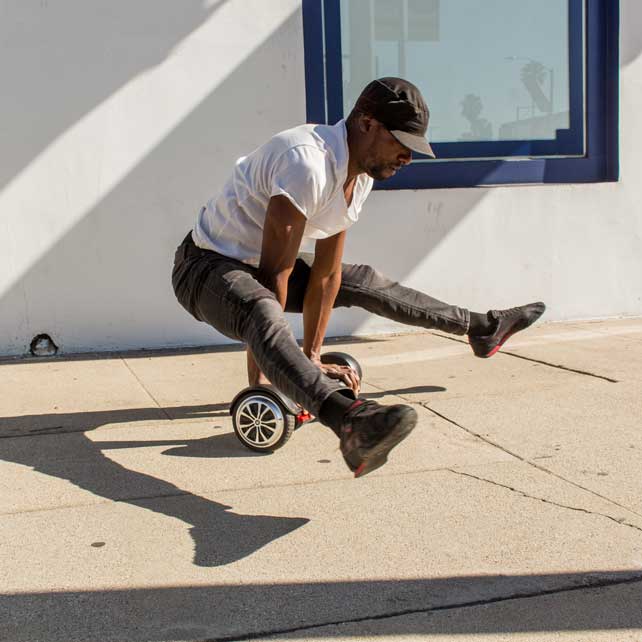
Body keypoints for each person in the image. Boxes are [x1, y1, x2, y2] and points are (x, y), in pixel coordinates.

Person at [171, 77, 545, 478]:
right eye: (401, 143)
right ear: (366, 123)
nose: (407, 157)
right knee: (262, 304)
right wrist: (263, 382)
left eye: (414, 149)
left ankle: (480, 327)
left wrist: (311, 360)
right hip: (204, 268)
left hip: (254, 268)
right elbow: (274, 276)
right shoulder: (305, 163)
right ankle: (349, 421)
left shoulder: (358, 176)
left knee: (359, 280)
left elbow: (327, 277)